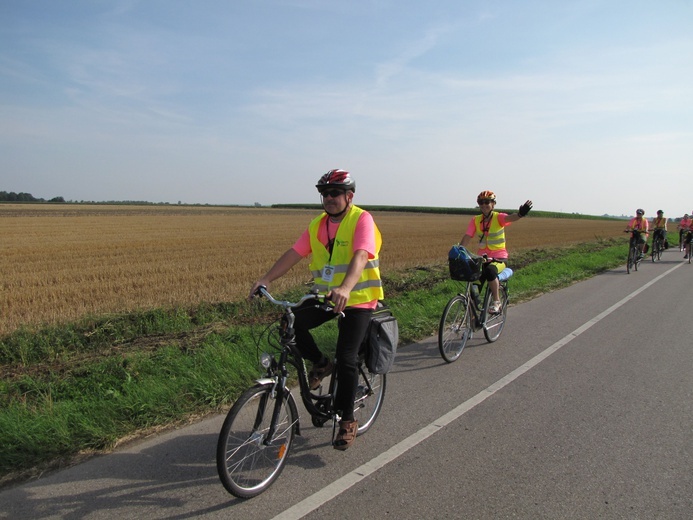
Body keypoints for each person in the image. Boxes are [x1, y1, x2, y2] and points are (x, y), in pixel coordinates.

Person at [249, 169, 383, 451]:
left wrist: (346, 288)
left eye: (335, 193)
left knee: (346, 357)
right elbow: (294, 253)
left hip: (358, 299)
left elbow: (361, 256)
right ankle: (321, 363)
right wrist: (266, 279)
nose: (329, 198)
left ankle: (347, 420)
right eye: (324, 193)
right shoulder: (317, 225)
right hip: (326, 297)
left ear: (349, 196)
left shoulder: (362, 219)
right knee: (290, 323)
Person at [460, 191, 533, 314]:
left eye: (487, 202)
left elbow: (511, 218)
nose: (484, 205)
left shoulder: (498, 217)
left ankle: (497, 302)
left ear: (493, 204)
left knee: (489, 271)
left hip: (499, 259)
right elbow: (467, 236)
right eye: (481, 202)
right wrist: (459, 250)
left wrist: (520, 214)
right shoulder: (476, 220)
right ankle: (472, 324)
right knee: (473, 289)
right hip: (482, 259)